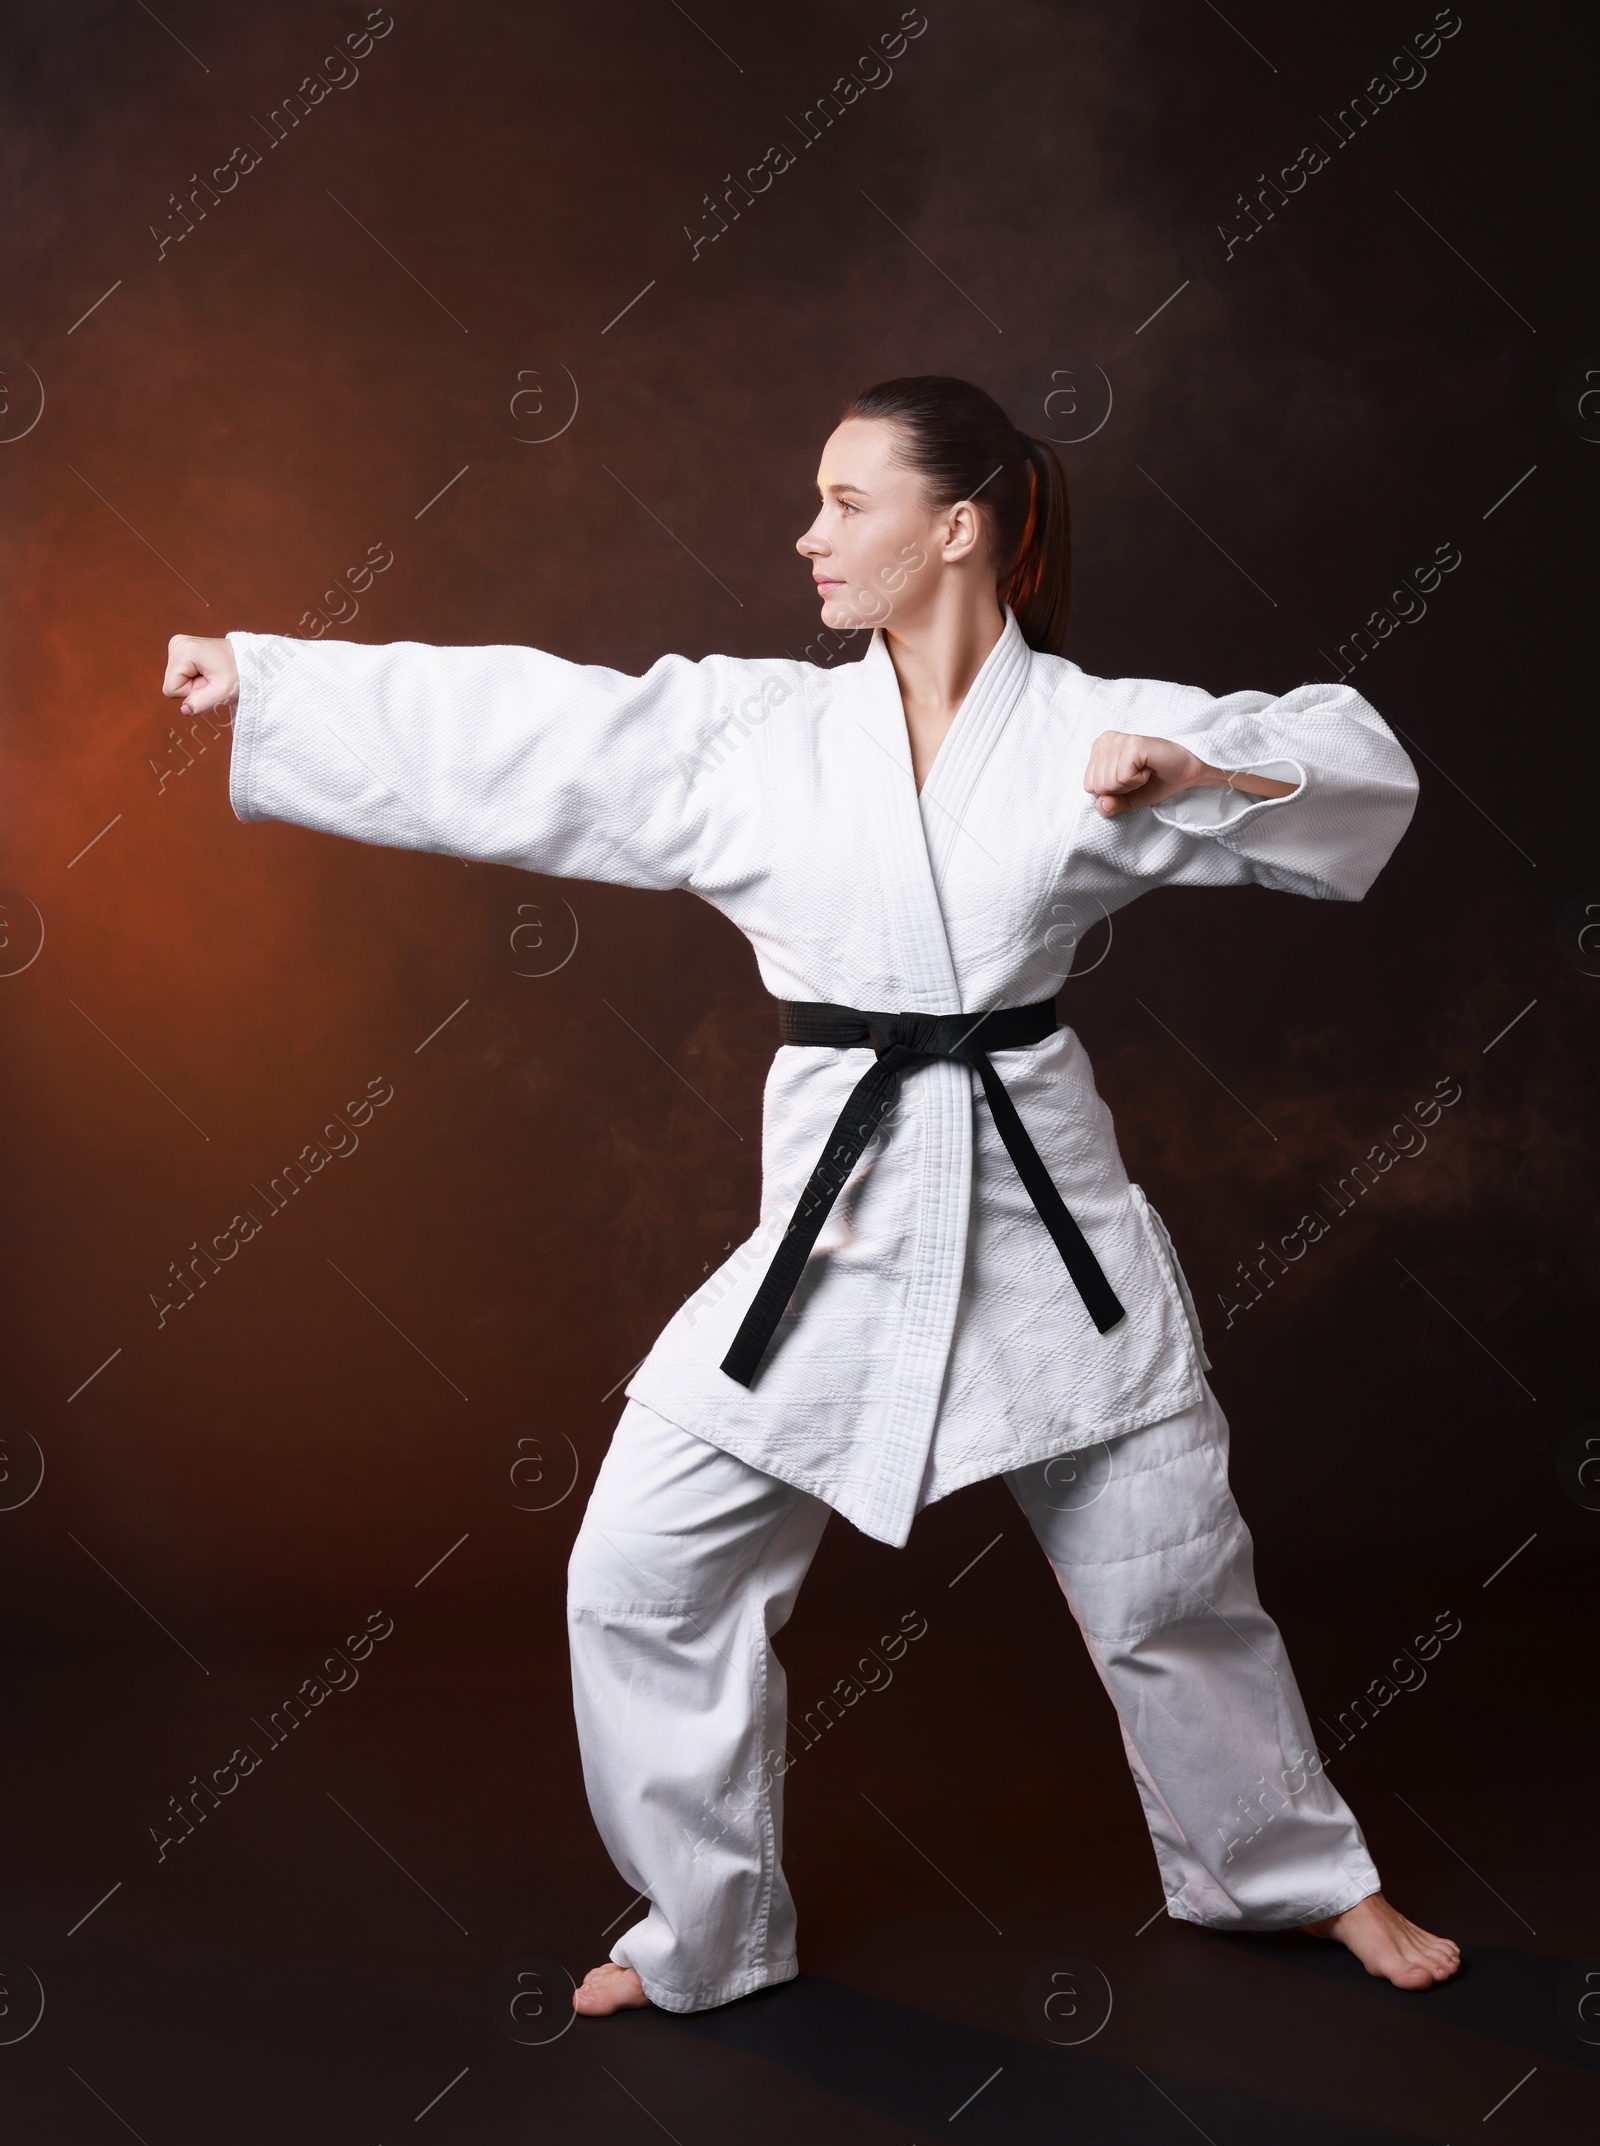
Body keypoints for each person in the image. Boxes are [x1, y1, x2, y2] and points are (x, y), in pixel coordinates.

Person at [165, 374, 1460, 2015]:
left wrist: (1196, 770)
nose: (811, 534)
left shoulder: (1082, 734)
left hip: (1044, 1233)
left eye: (851, 503)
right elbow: (540, 730)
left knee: (1174, 1589)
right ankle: (708, 1932)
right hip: (831, 1248)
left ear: (960, 528)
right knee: (639, 1575)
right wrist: (277, 684)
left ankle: (1283, 1876)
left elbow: (1354, 771)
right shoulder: (760, 738)